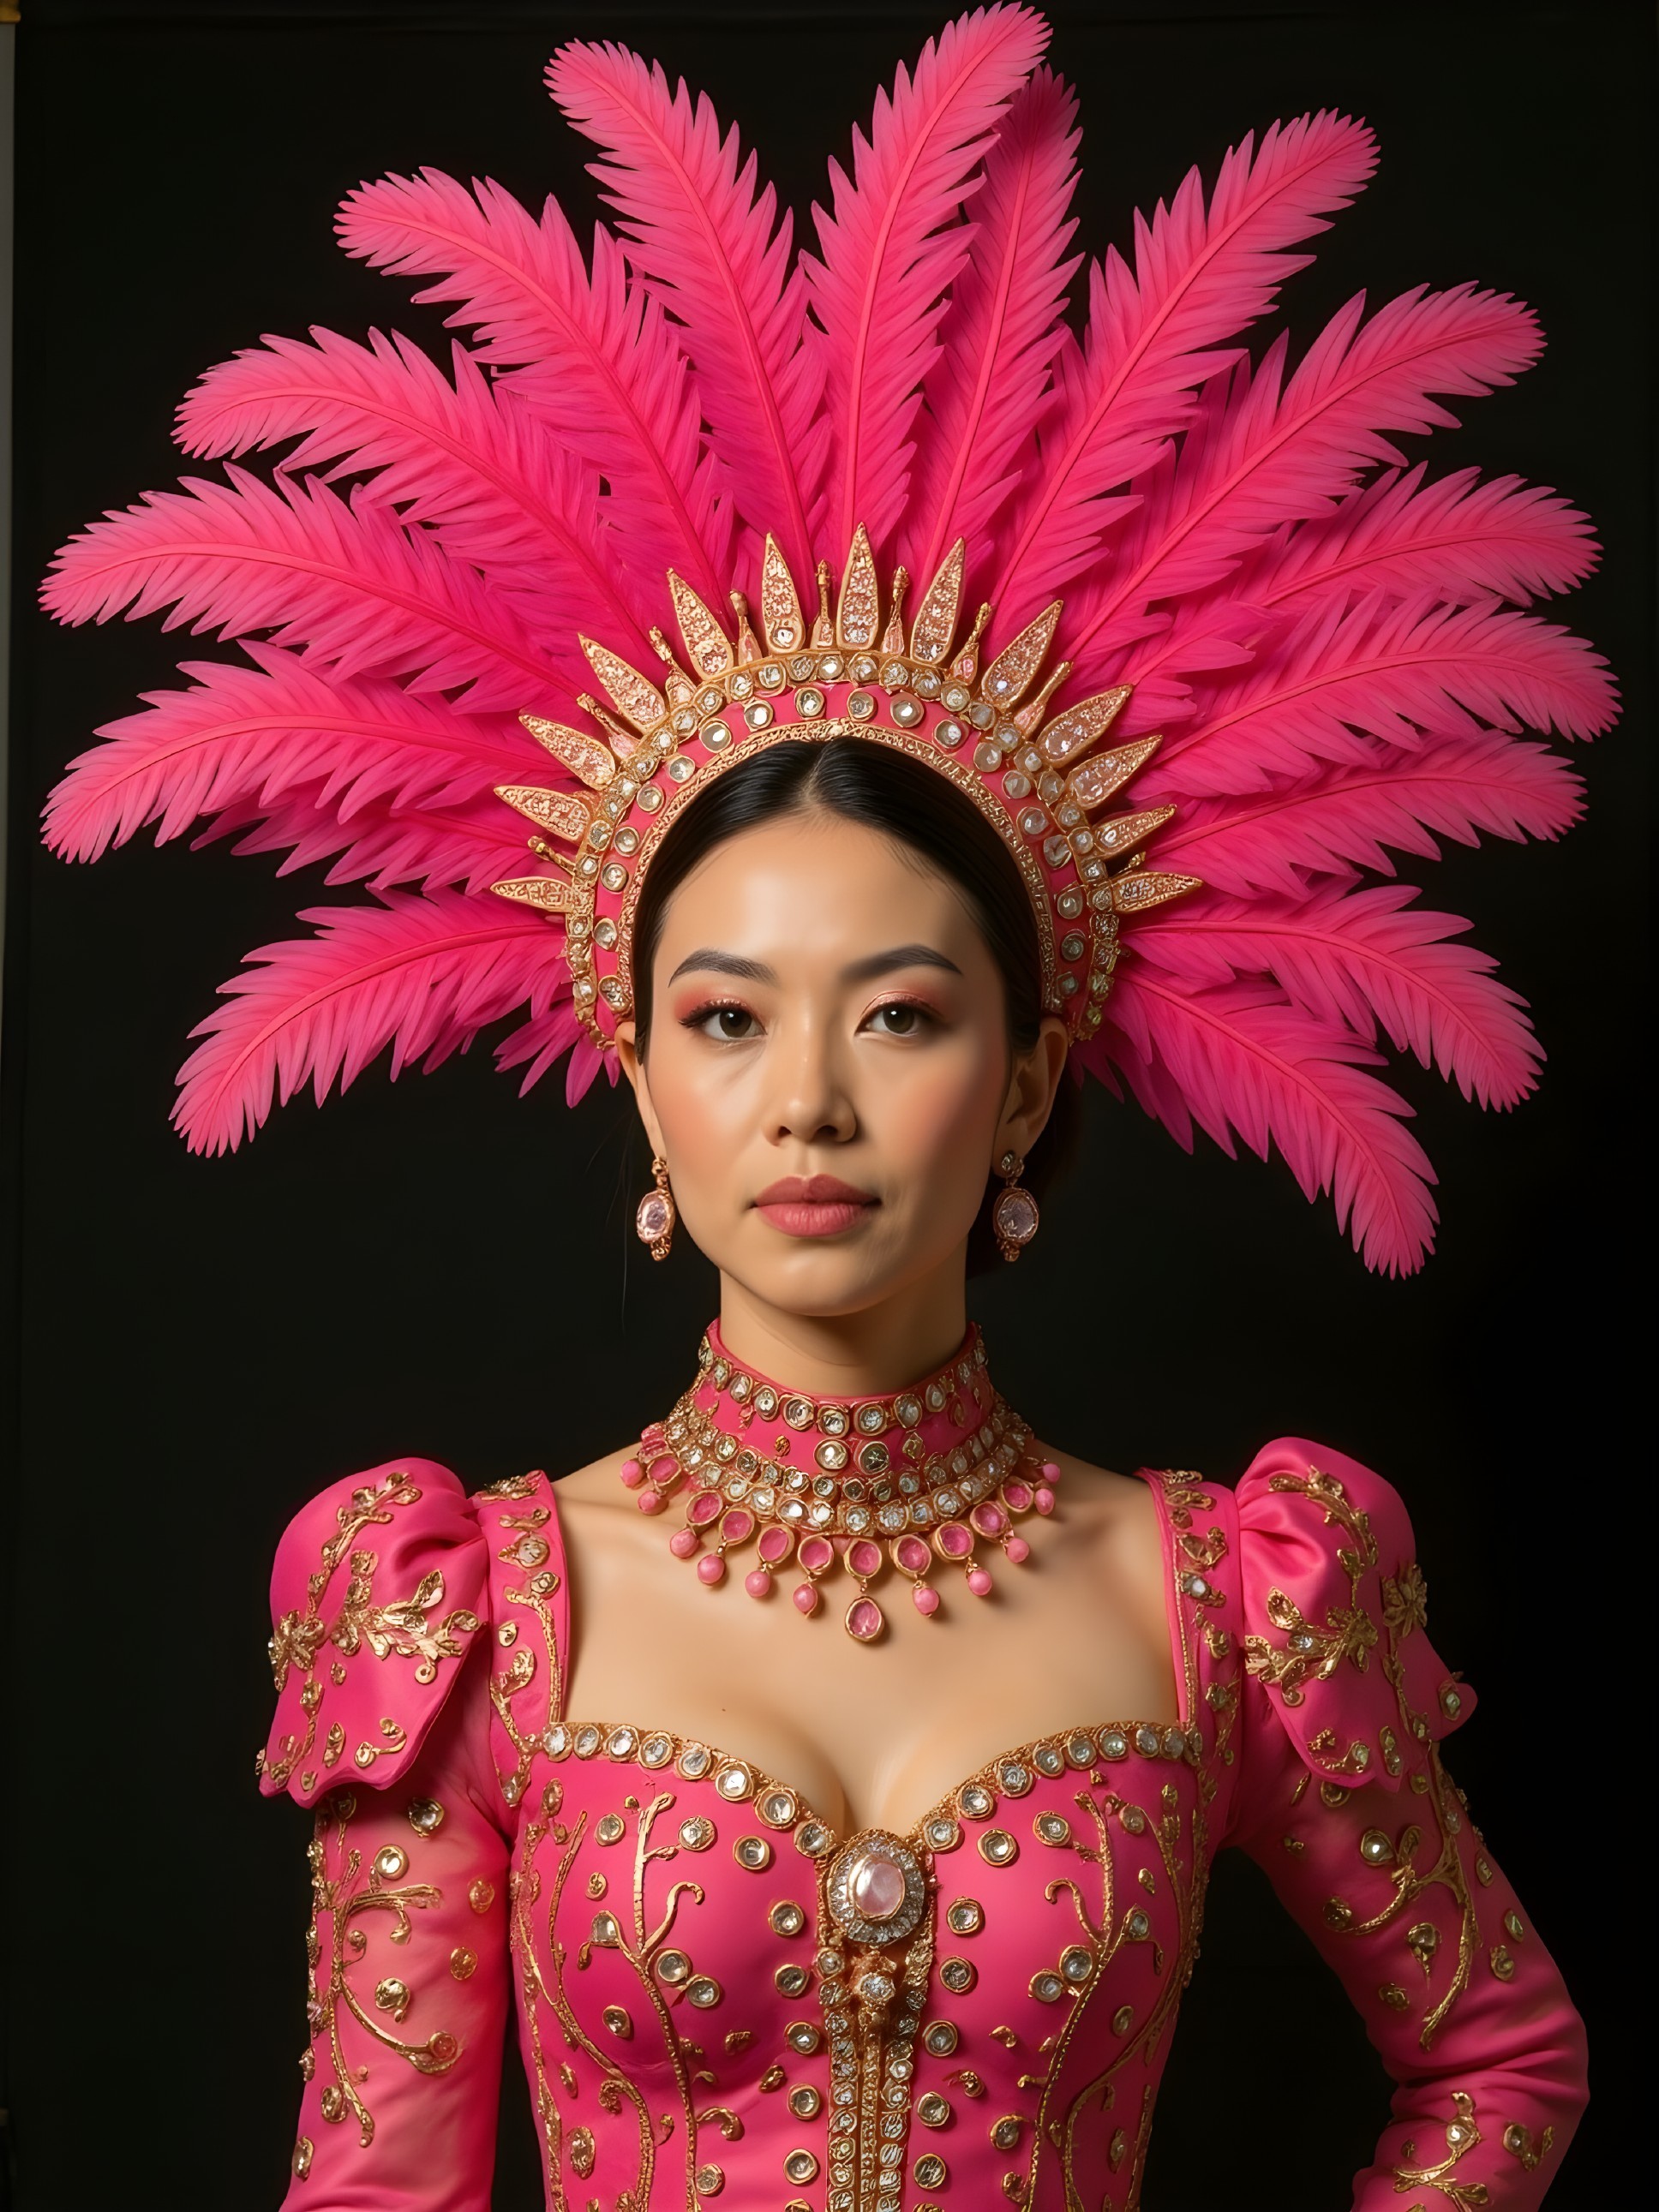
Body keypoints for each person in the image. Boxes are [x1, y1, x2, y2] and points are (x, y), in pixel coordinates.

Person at [40, 10, 1604, 2205]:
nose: (805, 1102)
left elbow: (1494, 2064)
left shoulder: (1226, 1595)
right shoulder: (478, 1606)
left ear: (1026, 1067)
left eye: (894, 1015)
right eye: (721, 1016)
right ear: (639, 1079)